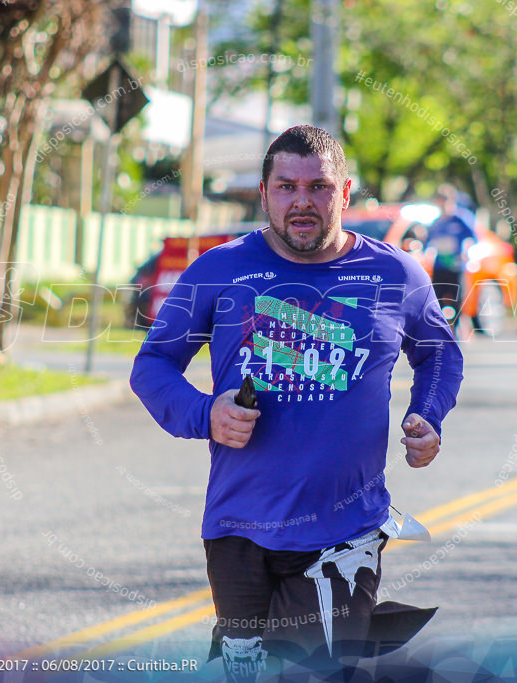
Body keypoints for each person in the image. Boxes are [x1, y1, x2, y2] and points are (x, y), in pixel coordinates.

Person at [130, 125, 464, 681]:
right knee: (246, 670)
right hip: (237, 527)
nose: (302, 201)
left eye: (319, 187)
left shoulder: (394, 273)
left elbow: (439, 355)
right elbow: (153, 365)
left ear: (346, 192)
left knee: (305, 671)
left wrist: (427, 415)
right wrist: (203, 414)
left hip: (345, 529)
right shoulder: (220, 270)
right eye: (286, 187)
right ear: (264, 194)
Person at [423, 185, 477, 329]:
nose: (443, 204)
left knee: (457, 299)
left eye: (446, 200)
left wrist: (466, 252)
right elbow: (427, 243)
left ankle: (457, 329)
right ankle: (442, 329)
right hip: (440, 266)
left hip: (455, 266)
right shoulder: (436, 223)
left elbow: (473, 238)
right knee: (437, 299)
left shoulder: (460, 219)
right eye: (440, 201)